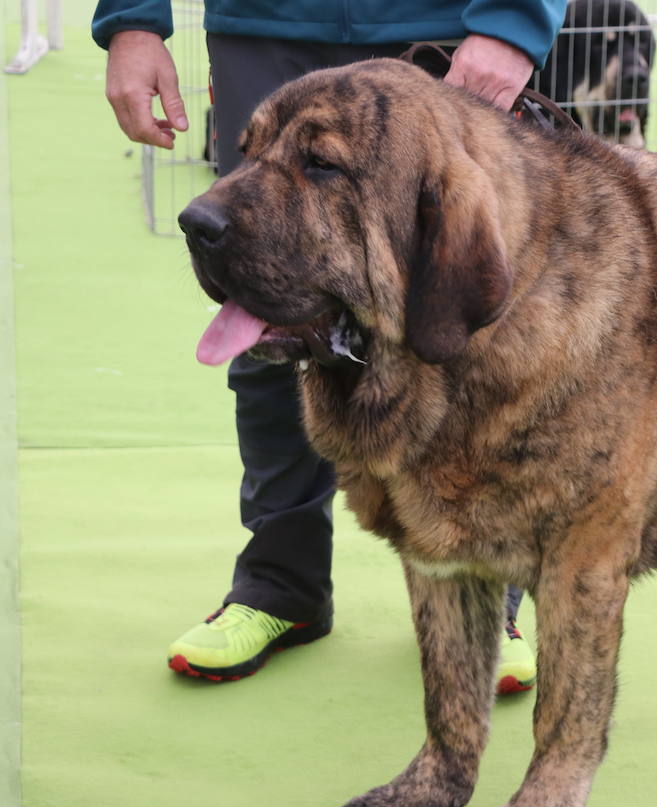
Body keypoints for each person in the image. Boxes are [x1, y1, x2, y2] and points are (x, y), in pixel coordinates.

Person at [93, 0, 567, 690]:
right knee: (267, 305)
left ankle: (491, 597)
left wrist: (513, 23)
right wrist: (133, 21)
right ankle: (280, 586)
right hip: (266, 23)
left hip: (447, 20)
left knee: (471, 322)